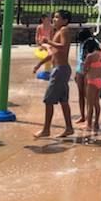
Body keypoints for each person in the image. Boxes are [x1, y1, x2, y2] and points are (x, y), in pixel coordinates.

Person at [33, 10, 74, 138]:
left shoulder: (64, 31)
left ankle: (46, 129)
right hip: (60, 69)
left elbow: (63, 46)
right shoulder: (59, 31)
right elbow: (54, 53)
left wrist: (48, 41)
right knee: (63, 100)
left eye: (57, 17)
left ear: (65, 20)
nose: (54, 20)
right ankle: (69, 128)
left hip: (60, 70)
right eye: (54, 17)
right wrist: (40, 64)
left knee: (48, 100)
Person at [82, 37, 101, 133]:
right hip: (99, 80)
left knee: (90, 104)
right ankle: (96, 123)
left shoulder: (90, 56)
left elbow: (84, 70)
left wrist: (84, 64)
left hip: (91, 81)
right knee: (96, 103)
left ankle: (89, 124)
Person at [73, 28, 93, 123]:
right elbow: (80, 58)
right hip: (80, 70)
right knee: (81, 94)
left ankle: (89, 117)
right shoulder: (82, 43)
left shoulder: (92, 43)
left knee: (88, 95)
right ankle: (82, 116)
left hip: (87, 71)